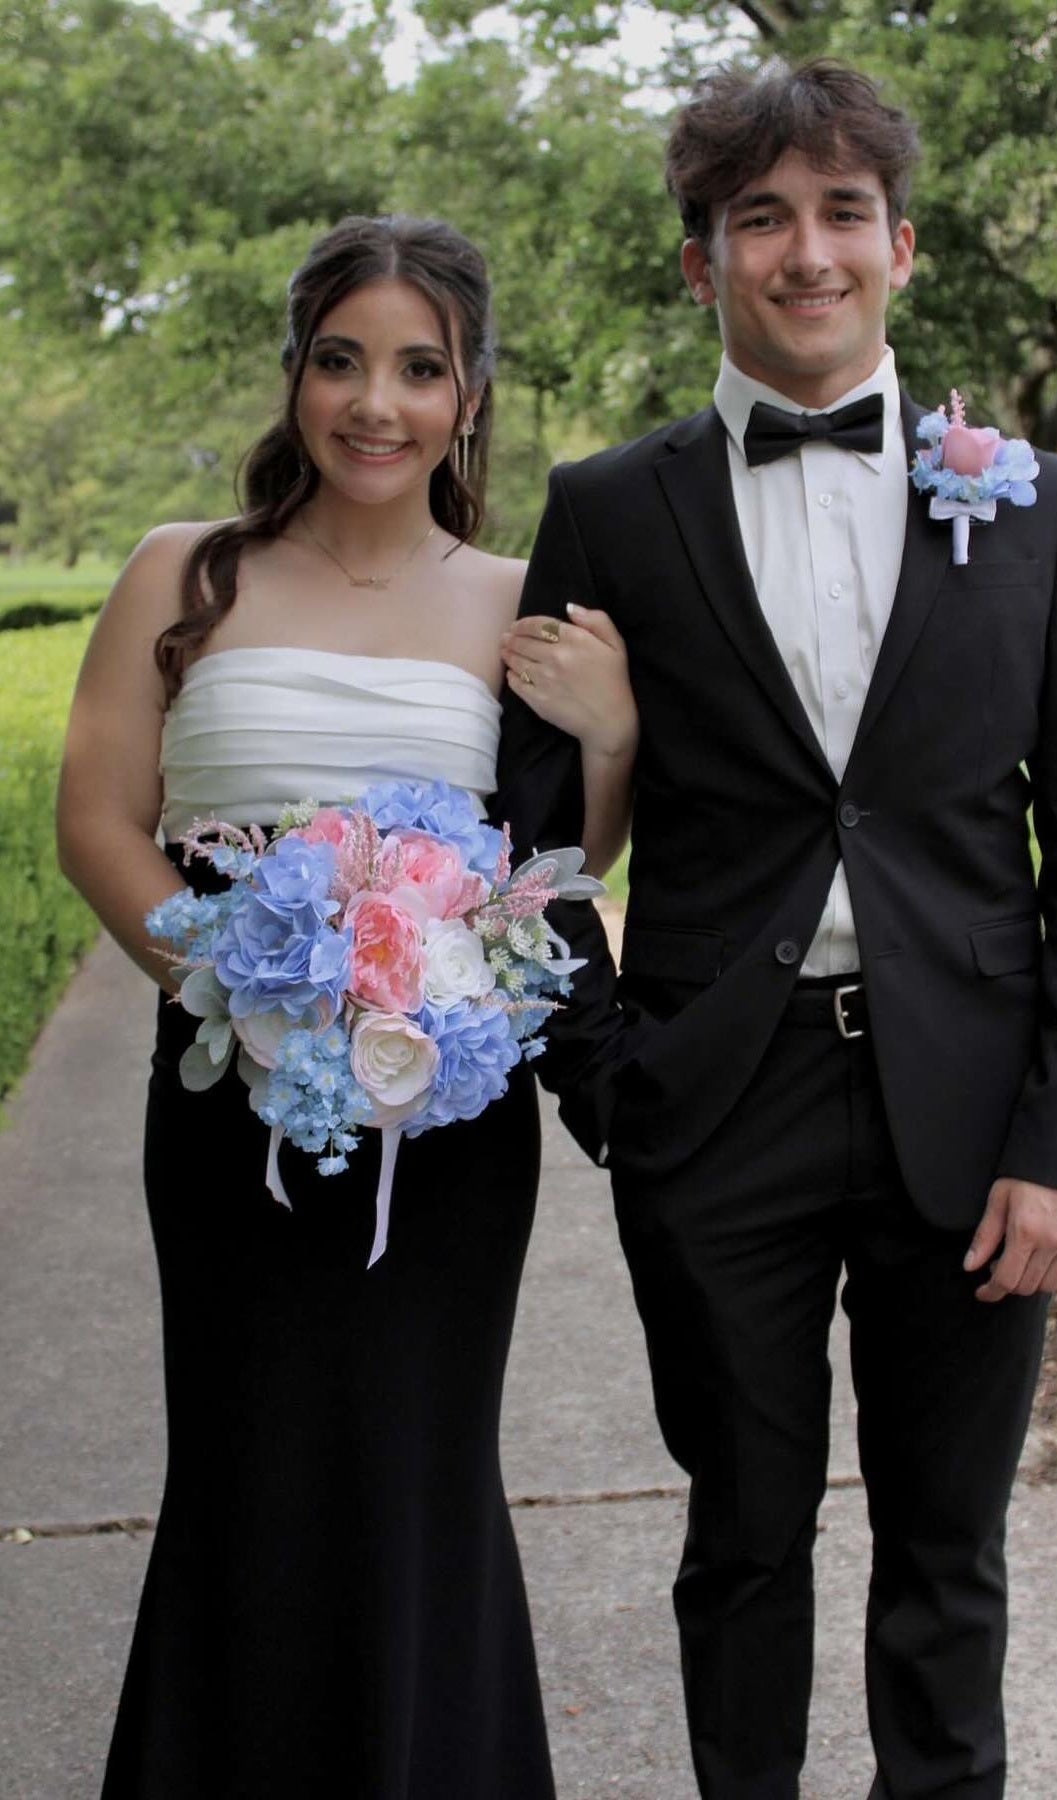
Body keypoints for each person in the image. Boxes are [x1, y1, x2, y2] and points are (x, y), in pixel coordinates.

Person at [498, 59, 1057, 1800]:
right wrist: (607, 1080)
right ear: (702, 261)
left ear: (904, 246)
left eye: (840, 213)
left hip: (976, 1107)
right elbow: (531, 850)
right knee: (744, 1544)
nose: (806, 252)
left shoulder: (1024, 502)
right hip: (716, 1107)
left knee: (952, 1562)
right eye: (759, 218)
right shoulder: (610, 508)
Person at [56, 212, 636, 1800]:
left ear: (469, 397)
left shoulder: (522, 601)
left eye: (419, 369)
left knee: (419, 1474)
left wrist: (609, 739)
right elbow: (98, 818)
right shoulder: (181, 569)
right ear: (298, 374)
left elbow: (559, 874)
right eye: (341, 361)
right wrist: (237, 992)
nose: (374, 404)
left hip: (448, 1123)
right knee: (246, 1467)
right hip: (225, 1101)